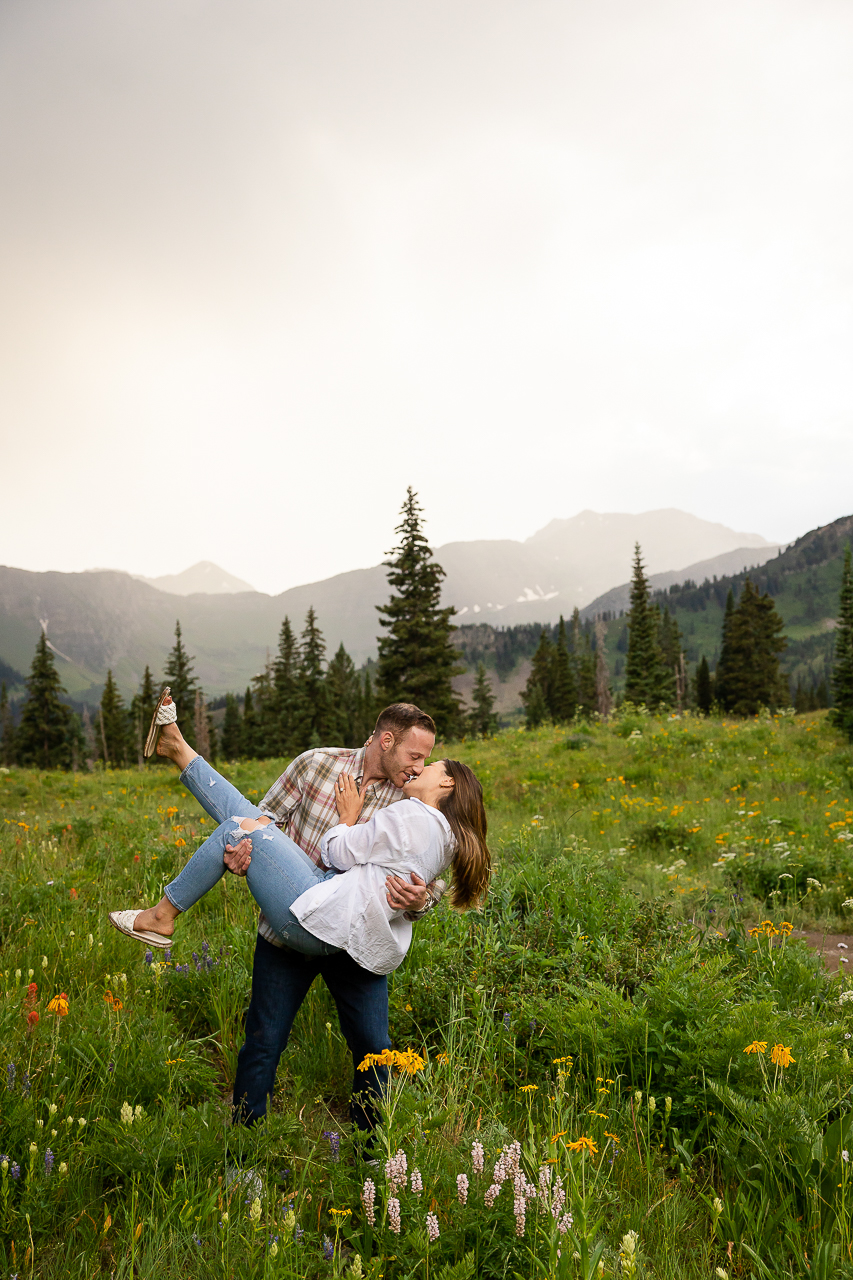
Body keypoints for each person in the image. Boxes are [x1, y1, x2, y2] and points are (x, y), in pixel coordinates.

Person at [117, 694, 472, 1131]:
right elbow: (263, 824)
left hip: (351, 941)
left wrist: (421, 900)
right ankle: (245, 1150)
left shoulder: (408, 805)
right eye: (415, 755)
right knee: (263, 1042)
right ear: (385, 740)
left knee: (373, 1049)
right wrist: (242, 855)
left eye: (427, 761)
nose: (419, 767)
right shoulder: (317, 765)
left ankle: (372, 1156)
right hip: (291, 921)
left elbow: (424, 870)